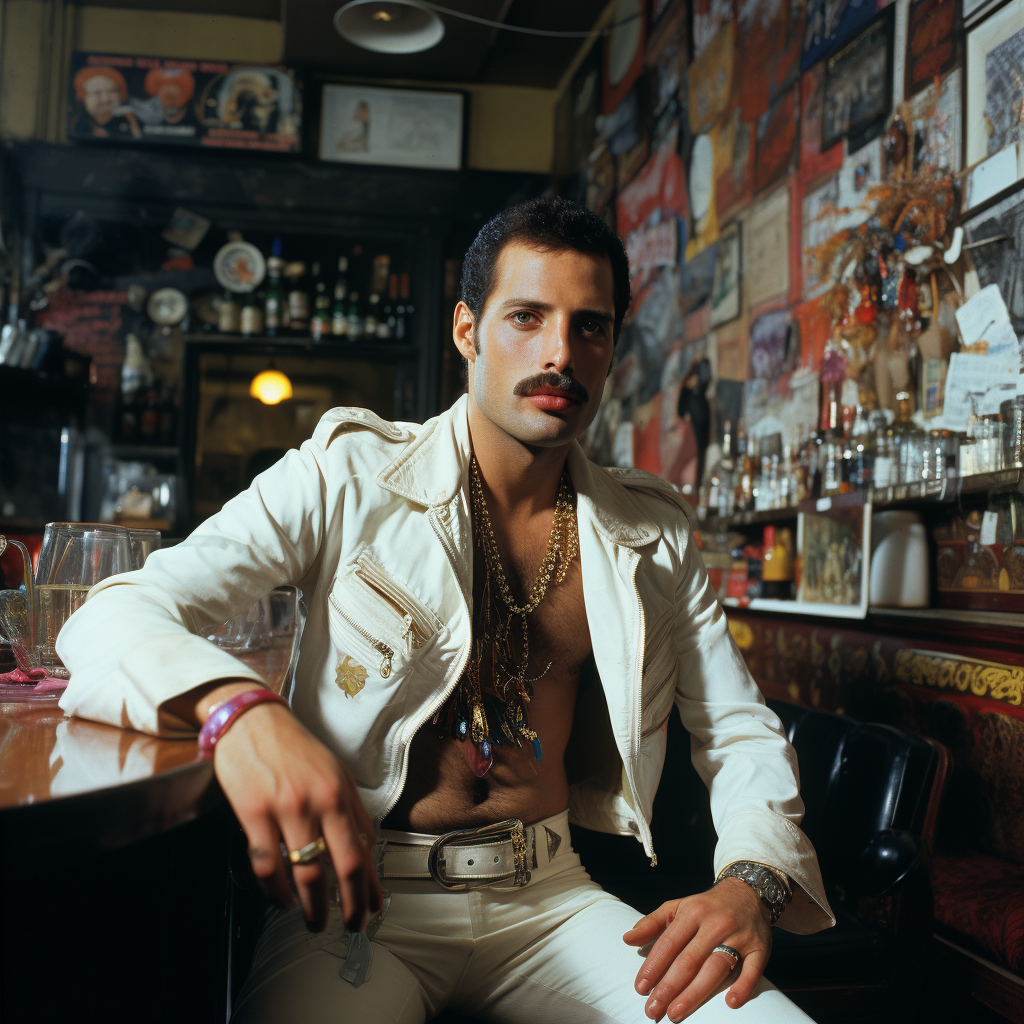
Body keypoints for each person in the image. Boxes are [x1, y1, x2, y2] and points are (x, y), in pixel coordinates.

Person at [57, 197, 833, 1023]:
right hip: (358, 907)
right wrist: (242, 716)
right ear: (467, 329)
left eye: (590, 327)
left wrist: (751, 880)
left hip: (554, 900)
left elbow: (737, 725)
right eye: (526, 318)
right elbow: (110, 617)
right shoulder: (345, 476)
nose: (559, 354)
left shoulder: (650, 530)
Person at [68, 66, 141, 140]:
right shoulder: (77, 122)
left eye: (111, 91)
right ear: (83, 97)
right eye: (97, 93)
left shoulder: (129, 119)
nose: (105, 99)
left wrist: (133, 123)